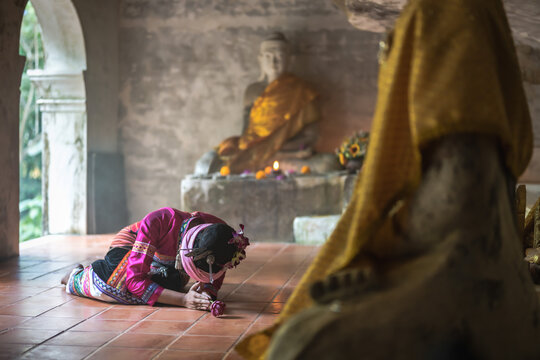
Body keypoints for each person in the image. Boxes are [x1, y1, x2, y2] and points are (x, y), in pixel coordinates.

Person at [236, 0, 540, 358]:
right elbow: (246, 138)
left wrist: (375, 255)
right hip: (497, 274)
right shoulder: (254, 91)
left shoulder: (441, 16)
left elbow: (453, 216)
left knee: (297, 341)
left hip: (455, 275)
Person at [62, 207, 249, 311]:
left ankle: (159, 280)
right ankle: (74, 275)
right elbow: (134, 280)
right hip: (131, 246)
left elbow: (214, 274)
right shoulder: (159, 220)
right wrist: (184, 300)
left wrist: (207, 292)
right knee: (115, 285)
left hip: (166, 263)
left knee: (169, 286)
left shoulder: (224, 236)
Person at [195, 32, 319, 175]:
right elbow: (246, 133)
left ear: (289, 59)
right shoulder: (253, 91)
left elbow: (311, 137)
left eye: (279, 57)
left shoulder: (303, 91)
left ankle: (274, 158)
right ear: (260, 60)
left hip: (288, 152)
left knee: (327, 165)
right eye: (268, 57)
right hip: (254, 150)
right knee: (209, 165)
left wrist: (280, 149)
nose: (273, 62)